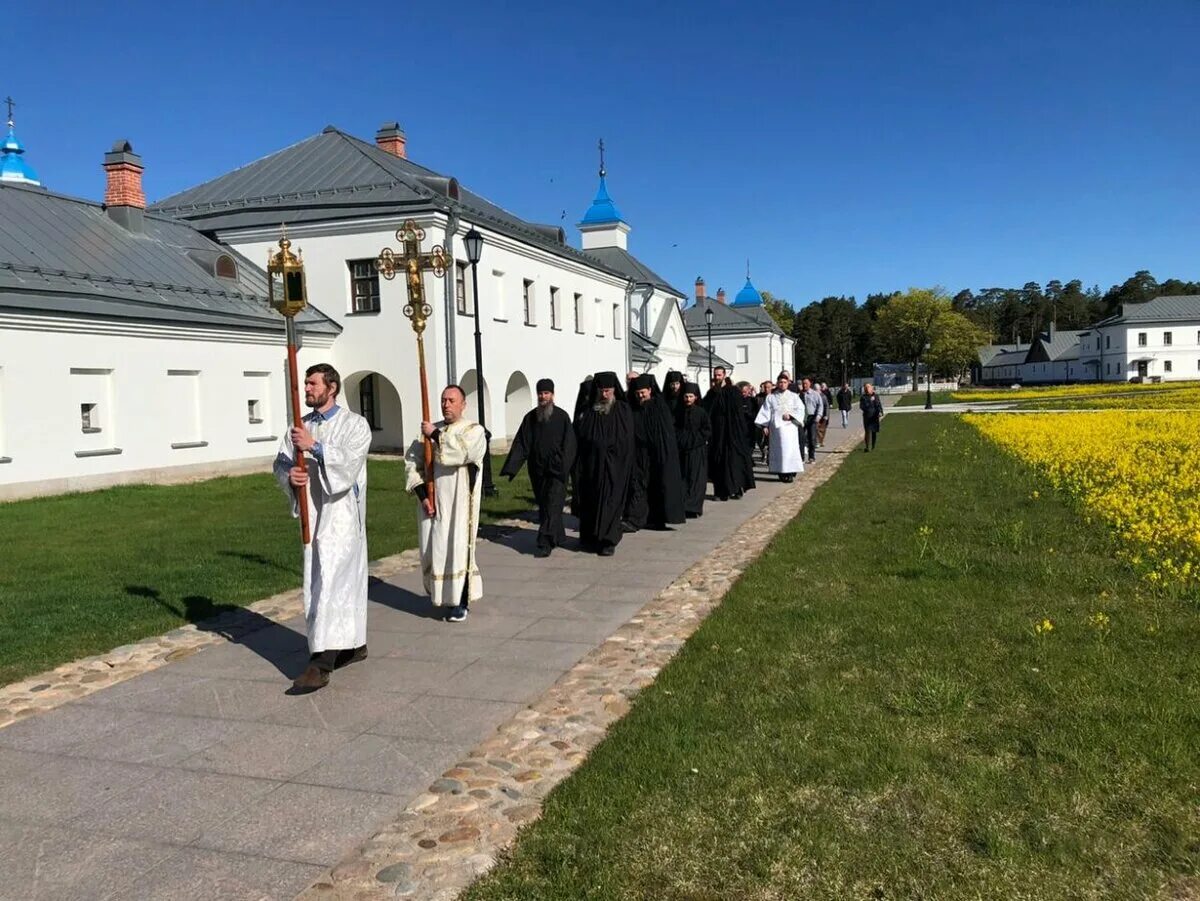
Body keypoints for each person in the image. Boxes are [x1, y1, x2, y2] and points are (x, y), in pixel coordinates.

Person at [273, 363, 373, 693]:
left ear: (331, 387)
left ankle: (320, 664)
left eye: (313, 383)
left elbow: (348, 463)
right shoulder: (299, 426)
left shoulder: (355, 425)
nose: (307, 388)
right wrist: (292, 476)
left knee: (333, 584)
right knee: (318, 584)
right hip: (314, 516)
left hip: (342, 518)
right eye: (305, 383)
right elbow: (282, 461)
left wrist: (314, 447)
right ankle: (353, 645)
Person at [405, 385, 488, 622]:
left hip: (459, 503)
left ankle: (460, 602)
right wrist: (423, 495)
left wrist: (434, 435)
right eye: (443, 400)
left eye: (452, 400)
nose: (446, 405)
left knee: (458, 549)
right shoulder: (431, 430)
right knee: (434, 550)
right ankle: (441, 596)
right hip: (433, 503)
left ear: (463, 404)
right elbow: (413, 464)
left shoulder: (473, 430)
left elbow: (462, 452)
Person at [500, 378, 576, 558]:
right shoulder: (531, 418)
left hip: (557, 470)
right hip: (538, 470)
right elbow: (522, 442)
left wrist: (564, 466)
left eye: (546, 393)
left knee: (553, 503)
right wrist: (512, 467)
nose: (543, 397)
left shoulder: (562, 417)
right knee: (545, 504)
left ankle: (544, 542)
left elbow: (570, 444)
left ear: (552, 395)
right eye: (540, 393)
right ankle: (558, 535)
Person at [573, 371, 635, 556]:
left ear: (614, 390)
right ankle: (591, 538)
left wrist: (612, 453)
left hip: (615, 467)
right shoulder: (590, 410)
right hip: (592, 466)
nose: (605, 395)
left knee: (611, 503)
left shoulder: (622, 410)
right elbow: (582, 436)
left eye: (608, 391)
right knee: (591, 501)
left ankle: (608, 540)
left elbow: (626, 439)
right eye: (602, 391)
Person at [624, 373, 685, 531]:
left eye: (643, 392)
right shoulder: (633, 407)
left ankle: (656, 518)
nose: (640, 396)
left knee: (658, 486)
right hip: (639, 455)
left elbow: (665, 434)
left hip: (657, 455)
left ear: (650, 390)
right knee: (638, 485)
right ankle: (635, 519)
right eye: (637, 393)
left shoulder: (659, 406)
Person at [703, 368, 754, 501]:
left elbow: (737, 413)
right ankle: (720, 492)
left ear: (724, 375)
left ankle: (737, 488)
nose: (717, 377)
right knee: (718, 462)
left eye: (719, 375)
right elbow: (706, 409)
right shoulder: (712, 392)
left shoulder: (733, 391)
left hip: (732, 433)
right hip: (717, 434)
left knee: (734, 461)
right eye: (715, 375)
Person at [755, 372, 805, 482]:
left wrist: (791, 416)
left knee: (790, 451)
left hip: (790, 428)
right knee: (779, 451)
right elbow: (765, 411)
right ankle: (781, 473)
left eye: (784, 382)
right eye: (780, 382)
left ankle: (791, 472)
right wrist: (764, 425)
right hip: (776, 429)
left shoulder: (794, 396)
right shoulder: (771, 397)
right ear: (777, 384)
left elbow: (800, 409)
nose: (782, 384)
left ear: (788, 383)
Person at [675, 382, 710, 517]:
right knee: (684, 478)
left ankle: (694, 507)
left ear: (696, 397)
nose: (688, 399)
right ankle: (684, 506)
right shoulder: (678, 412)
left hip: (697, 450)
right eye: (686, 396)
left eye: (691, 396)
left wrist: (695, 440)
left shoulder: (701, 412)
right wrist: (682, 439)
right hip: (682, 449)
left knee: (697, 478)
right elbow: (675, 428)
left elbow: (706, 430)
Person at [800, 377, 822, 464]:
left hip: (812, 417)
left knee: (811, 438)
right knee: (801, 438)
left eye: (806, 383)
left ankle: (811, 457)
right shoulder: (800, 394)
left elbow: (820, 405)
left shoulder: (815, 394)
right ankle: (801, 457)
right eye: (803, 383)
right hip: (802, 418)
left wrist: (818, 415)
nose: (804, 385)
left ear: (810, 384)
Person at [860, 382, 884, 452]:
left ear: (872, 388)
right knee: (867, 432)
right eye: (866, 387)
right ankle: (867, 447)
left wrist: (880, 412)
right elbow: (862, 407)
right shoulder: (863, 397)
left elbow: (879, 404)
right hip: (867, 417)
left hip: (874, 416)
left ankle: (873, 446)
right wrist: (870, 401)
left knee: (874, 431)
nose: (867, 389)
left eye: (869, 387)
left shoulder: (876, 396)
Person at [816, 382, 832, 448]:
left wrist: (826, 415)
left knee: (822, 430)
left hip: (823, 416)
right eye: (814, 389)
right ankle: (817, 442)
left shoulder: (823, 397)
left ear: (819, 389)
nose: (815, 391)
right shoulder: (813, 396)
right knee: (816, 429)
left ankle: (821, 441)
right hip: (816, 416)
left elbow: (826, 406)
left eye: (816, 389)